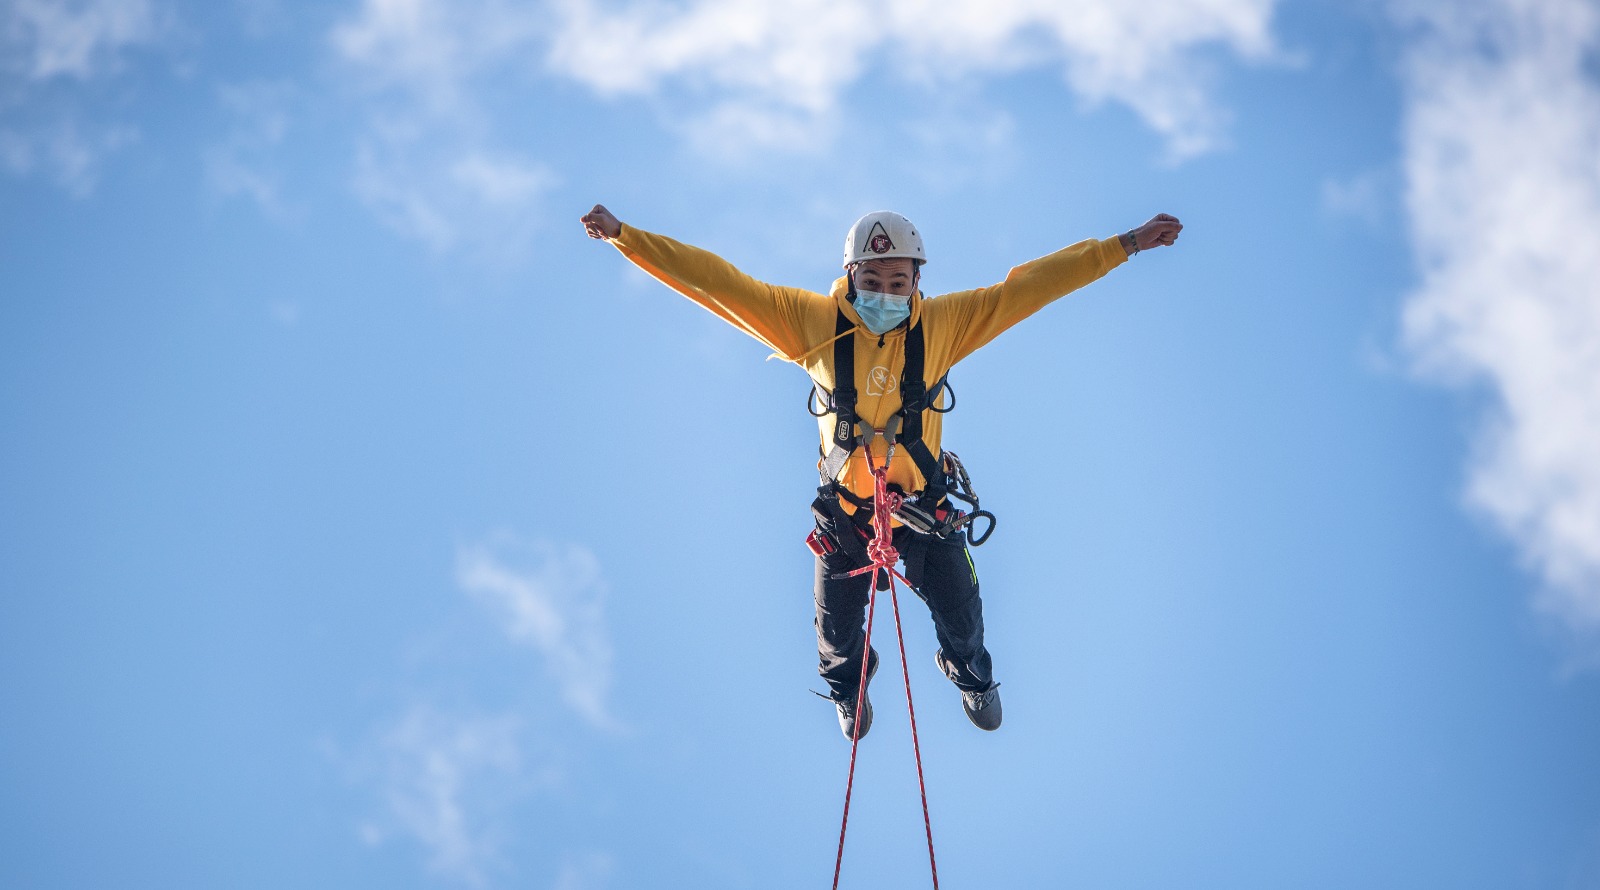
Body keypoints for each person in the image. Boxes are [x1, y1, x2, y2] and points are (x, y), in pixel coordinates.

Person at [581, 204, 1182, 739]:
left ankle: (971, 677)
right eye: (872, 281)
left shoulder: (944, 325)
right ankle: (850, 691)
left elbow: (1029, 288)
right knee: (834, 641)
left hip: (924, 512)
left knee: (964, 620)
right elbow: (719, 284)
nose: (885, 292)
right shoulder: (809, 323)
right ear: (851, 278)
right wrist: (625, 238)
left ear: (918, 280)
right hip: (844, 516)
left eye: (898, 281)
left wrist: (1124, 243)